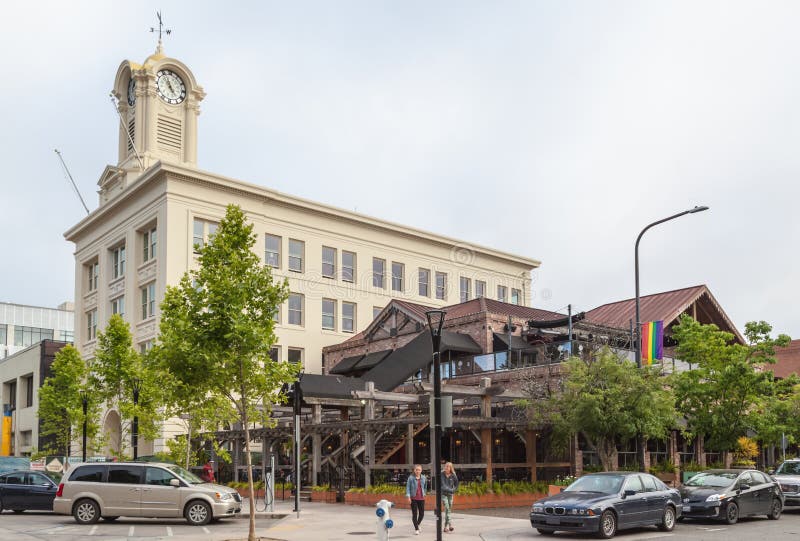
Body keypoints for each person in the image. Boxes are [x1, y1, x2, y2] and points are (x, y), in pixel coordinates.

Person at [405, 464, 427, 535]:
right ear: (414, 470)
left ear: (421, 470)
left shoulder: (424, 477)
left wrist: (424, 493)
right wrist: (408, 497)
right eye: (416, 470)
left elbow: (425, 486)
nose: (418, 471)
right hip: (413, 498)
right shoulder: (411, 478)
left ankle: (417, 524)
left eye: (419, 470)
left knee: (422, 514)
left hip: (421, 498)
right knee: (414, 514)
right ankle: (416, 529)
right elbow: (408, 488)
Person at [440, 462, 459, 533]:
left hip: (450, 495)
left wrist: (454, 490)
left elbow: (456, 484)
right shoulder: (441, 474)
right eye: (446, 466)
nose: (446, 468)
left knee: (448, 510)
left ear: (451, 468)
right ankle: (450, 525)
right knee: (447, 508)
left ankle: (445, 527)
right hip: (443, 494)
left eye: (448, 467)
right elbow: (443, 485)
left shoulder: (453, 475)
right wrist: (451, 490)